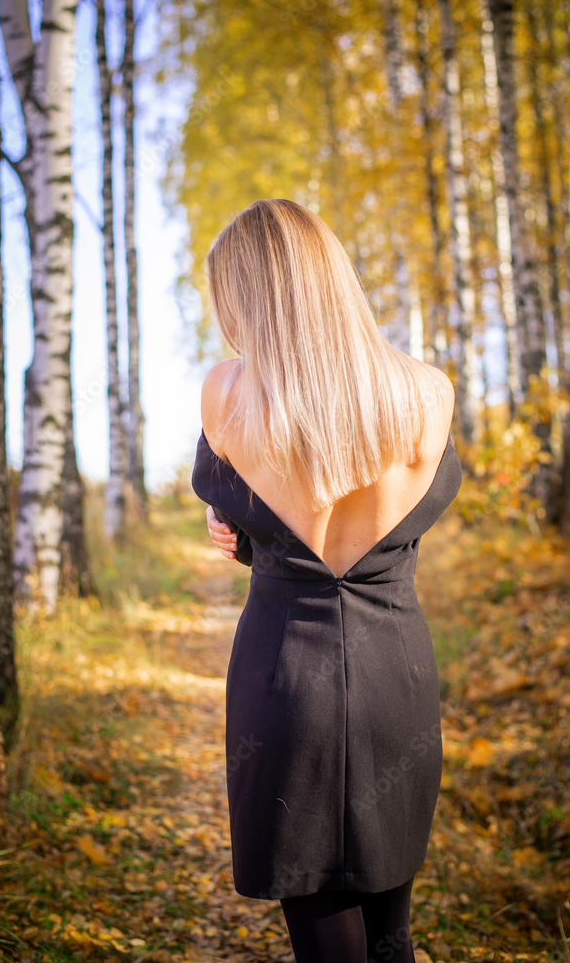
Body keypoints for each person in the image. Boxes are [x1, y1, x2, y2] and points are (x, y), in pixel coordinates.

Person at [191, 198, 462, 963]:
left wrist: (244, 538)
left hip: (284, 681)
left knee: (324, 941)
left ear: (248, 296)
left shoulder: (227, 393)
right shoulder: (426, 393)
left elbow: (255, 519)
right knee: (391, 936)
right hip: (395, 678)